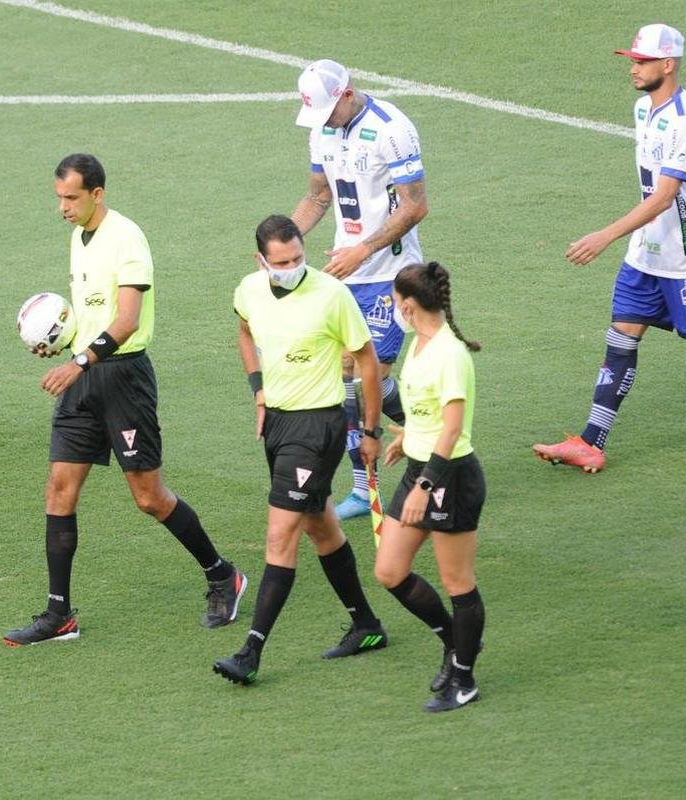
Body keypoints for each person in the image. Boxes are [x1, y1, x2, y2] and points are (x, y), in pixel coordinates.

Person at [3, 154, 247, 646]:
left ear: (97, 193)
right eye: (59, 198)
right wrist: (59, 342)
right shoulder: (80, 236)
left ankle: (223, 575)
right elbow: (93, 315)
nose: (63, 208)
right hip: (85, 374)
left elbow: (129, 319)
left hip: (123, 379)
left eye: (71, 198)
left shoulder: (127, 238)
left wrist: (79, 362)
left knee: (148, 497)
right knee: (59, 489)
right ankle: (59, 615)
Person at [213, 215, 387, 685]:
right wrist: (258, 391)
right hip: (280, 424)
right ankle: (367, 626)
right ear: (261, 260)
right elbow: (245, 333)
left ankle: (251, 651)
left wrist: (371, 432)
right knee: (320, 526)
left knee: (279, 535)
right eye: (281, 262)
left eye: (297, 258)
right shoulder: (248, 290)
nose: (291, 267)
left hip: (319, 427)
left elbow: (368, 363)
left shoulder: (332, 295)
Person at [535, 24, 686, 473]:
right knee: (621, 336)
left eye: (642, 61)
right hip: (646, 254)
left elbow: (665, 195)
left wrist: (605, 235)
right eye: (632, 59)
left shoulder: (685, 118)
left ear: (668, 65)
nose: (633, 67)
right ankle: (591, 441)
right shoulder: (642, 109)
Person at [290, 59, 429, 521]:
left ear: (347, 93)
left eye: (329, 110)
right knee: (348, 378)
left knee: (364, 375)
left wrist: (362, 250)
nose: (325, 120)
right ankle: (368, 481)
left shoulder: (393, 129)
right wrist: (282, 241)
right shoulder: (322, 131)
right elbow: (316, 197)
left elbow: (415, 206)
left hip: (392, 274)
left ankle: (426, 441)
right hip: (344, 272)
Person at [373, 262, 487, 713]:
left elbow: (454, 429)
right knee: (389, 570)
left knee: (457, 580)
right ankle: (454, 643)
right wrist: (406, 436)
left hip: (449, 477)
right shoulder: (418, 343)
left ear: (408, 304)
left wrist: (423, 485)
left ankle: (465, 679)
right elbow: (429, 411)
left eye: (394, 301)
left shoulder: (449, 354)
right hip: (421, 465)